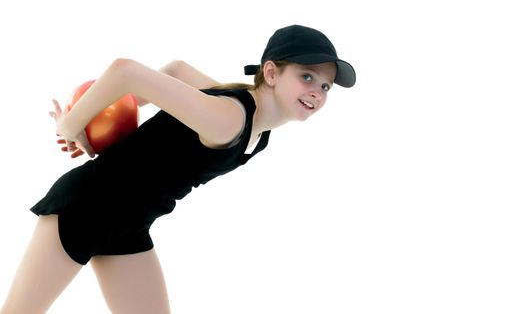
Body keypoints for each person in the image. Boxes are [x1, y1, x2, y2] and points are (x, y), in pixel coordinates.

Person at [1, 24, 356, 314]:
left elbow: (176, 70)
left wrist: (121, 110)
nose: (318, 92)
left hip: (128, 226)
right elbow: (125, 71)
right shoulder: (229, 118)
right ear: (271, 73)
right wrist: (71, 125)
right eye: (307, 77)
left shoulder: (254, 128)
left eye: (325, 85)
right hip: (83, 211)